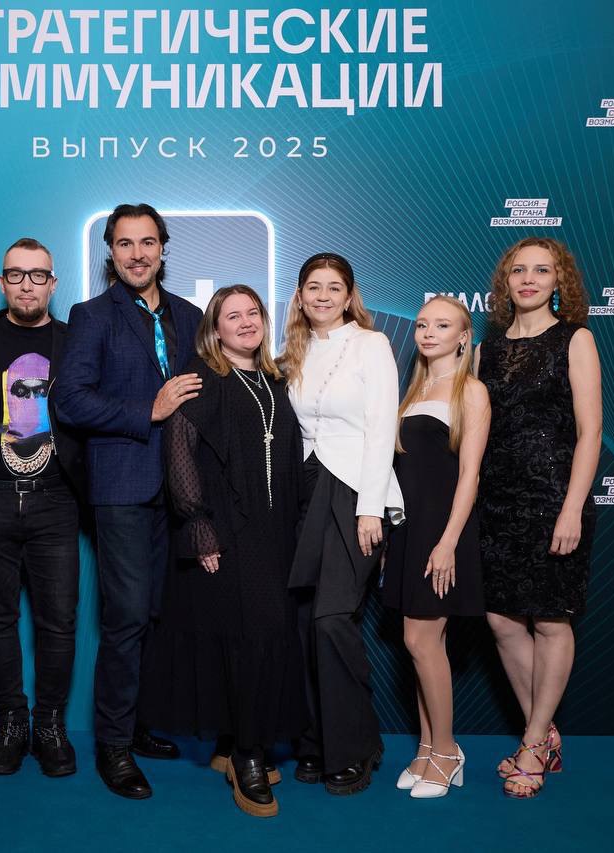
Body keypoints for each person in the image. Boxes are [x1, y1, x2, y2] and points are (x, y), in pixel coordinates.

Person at [54, 203, 204, 799]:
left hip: (183, 491)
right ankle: (113, 746)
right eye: (124, 243)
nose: (137, 254)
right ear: (110, 253)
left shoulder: (190, 315)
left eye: (147, 242)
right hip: (122, 488)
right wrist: (149, 410)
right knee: (126, 618)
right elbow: (70, 400)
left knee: (164, 615)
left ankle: (142, 724)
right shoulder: (92, 316)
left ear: (163, 248)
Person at [140, 285, 307, 818]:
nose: (246, 322)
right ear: (215, 329)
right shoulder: (200, 380)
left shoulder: (276, 380)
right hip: (227, 532)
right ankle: (247, 756)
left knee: (267, 635)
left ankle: (234, 741)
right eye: (232, 316)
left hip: (276, 530)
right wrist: (199, 527)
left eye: (253, 313)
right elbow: (179, 455)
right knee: (244, 637)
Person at [475, 237, 601, 798]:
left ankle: (531, 744)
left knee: (551, 620)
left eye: (541, 270)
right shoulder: (487, 349)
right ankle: (544, 733)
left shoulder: (575, 339)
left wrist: (571, 507)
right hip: (497, 501)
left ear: (558, 281)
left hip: (554, 497)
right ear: (505, 282)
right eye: (518, 270)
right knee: (501, 620)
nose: (528, 279)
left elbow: (590, 431)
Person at [0, 238, 86, 778]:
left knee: (59, 622)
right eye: (16, 274)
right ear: (2, 282)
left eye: (38, 275)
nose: (27, 285)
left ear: (53, 283)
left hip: (56, 500)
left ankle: (50, 724)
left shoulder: (75, 342)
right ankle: (12, 723)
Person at [278, 251, 404, 796]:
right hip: (303, 490)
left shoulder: (371, 345)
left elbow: (382, 427)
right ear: (300, 295)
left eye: (334, 287)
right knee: (305, 622)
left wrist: (370, 506)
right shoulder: (293, 351)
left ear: (350, 296)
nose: (323, 296)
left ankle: (356, 746)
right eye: (314, 286)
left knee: (333, 619)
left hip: (354, 490)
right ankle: (315, 742)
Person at [379, 295, 489, 799]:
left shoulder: (471, 392)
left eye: (442, 325)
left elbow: (470, 475)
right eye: (423, 324)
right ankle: (427, 749)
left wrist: (448, 542)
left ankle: (446, 751)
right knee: (418, 643)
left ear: (463, 337)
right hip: (410, 530)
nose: (427, 332)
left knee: (423, 641)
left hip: (443, 532)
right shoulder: (414, 390)